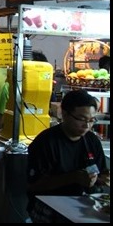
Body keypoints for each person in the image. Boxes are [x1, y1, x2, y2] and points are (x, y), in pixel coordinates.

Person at [27, 89, 110, 223]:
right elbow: (34, 186)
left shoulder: (91, 141)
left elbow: (99, 174)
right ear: (64, 114)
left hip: (84, 203)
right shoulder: (46, 142)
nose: (87, 125)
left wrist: (102, 178)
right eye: (81, 119)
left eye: (92, 120)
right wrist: (73, 177)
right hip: (48, 206)